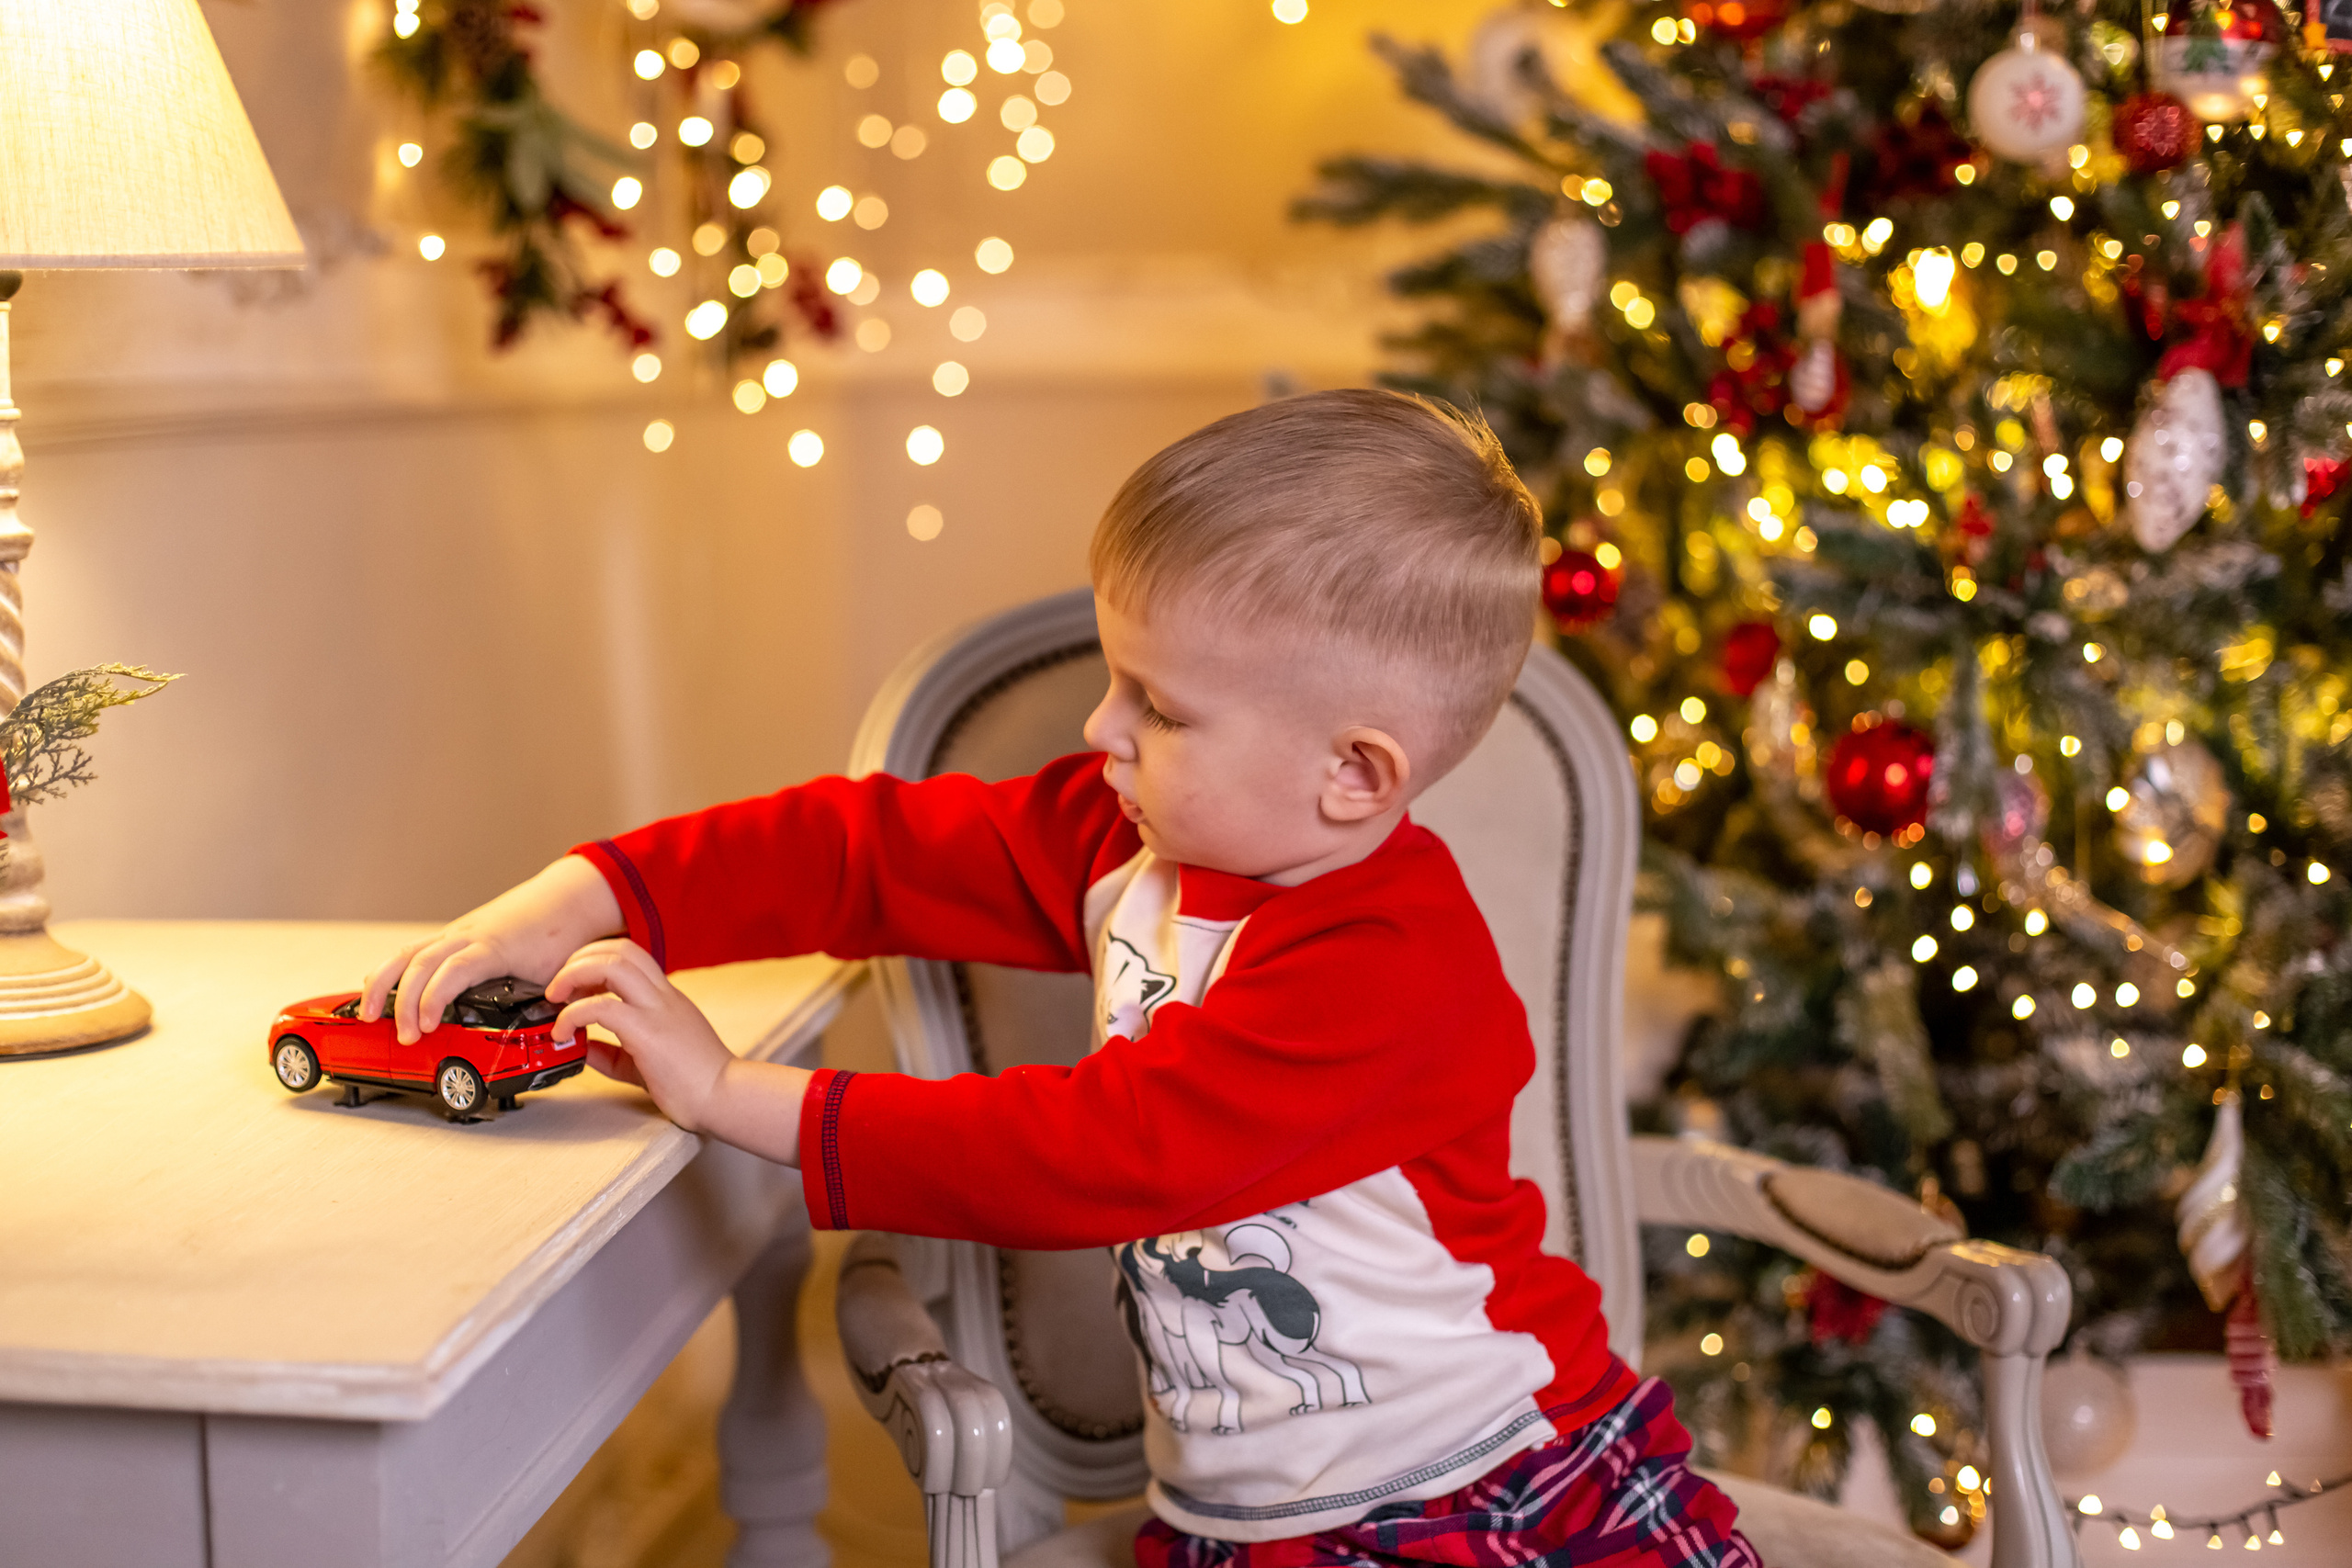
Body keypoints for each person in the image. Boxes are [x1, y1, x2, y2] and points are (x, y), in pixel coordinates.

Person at [364, 389, 1755, 1568]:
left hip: (1471, 1483)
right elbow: (867, 853)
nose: (1104, 727)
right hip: (1245, 1515)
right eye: (1116, 679)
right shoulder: (1122, 839)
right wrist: (594, 894)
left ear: (1354, 774)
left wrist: (734, 1092)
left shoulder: (1391, 968)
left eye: (1160, 704)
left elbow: (1101, 1154)